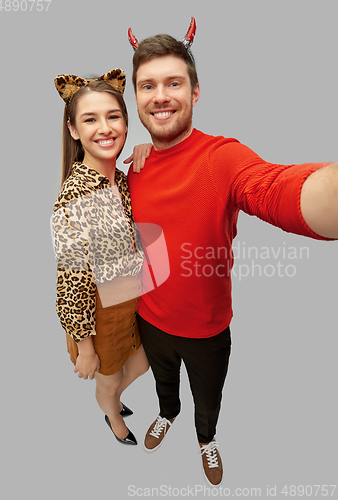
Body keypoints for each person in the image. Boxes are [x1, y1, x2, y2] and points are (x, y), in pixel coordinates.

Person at [126, 20, 338, 486]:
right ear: (136, 97)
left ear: (196, 92)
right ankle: (167, 414)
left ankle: (206, 439)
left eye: (174, 83)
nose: (160, 95)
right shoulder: (133, 166)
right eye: (148, 85)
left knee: (208, 397)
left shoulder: (222, 157)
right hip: (150, 317)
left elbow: (271, 188)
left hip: (207, 327)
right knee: (166, 388)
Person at [52, 69, 151, 446]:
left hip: (131, 299)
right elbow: (70, 280)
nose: (105, 128)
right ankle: (110, 410)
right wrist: (86, 347)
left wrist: (147, 150)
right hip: (99, 311)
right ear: (73, 130)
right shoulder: (75, 197)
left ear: (126, 122)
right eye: (90, 119)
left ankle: (112, 397)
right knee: (108, 379)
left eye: (113, 116)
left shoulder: (120, 179)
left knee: (141, 364)